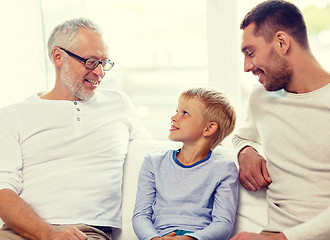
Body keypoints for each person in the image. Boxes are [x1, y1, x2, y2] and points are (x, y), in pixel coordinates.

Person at [0, 18, 150, 240]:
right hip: (20, 231)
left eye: (104, 62)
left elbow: (158, 161)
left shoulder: (119, 104)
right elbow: (3, 191)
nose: (100, 73)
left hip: (87, 233)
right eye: (90, 62)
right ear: (58, 56)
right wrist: (49, 234)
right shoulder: (13, 115)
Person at [231, 1, 330, 240]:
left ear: (281, 42)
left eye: (251, 53)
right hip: (274, 233)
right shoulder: (261, 97)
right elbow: (241, 136)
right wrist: (245, 150)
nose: (247, 66)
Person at [132, 87, 239, 240]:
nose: (174, 117)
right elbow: (140, 215)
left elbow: (223, 223)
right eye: (176, 111)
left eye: (184, 113)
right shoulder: (154, 161)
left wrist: (191, 238)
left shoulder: (224, 169)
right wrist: (153, 238)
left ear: (209, 128)